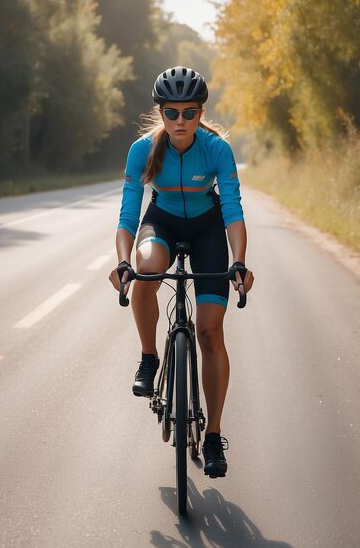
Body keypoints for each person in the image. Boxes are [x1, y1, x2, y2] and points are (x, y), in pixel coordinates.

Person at [109, 66, 254, 478]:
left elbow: (232, 210)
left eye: (189, 113)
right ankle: (149, 358)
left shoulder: (216, 150)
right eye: (171, 113)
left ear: (200, 112)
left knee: (210, 332)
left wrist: (240, 261)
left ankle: (212, 435)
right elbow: (128, 213)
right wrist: (123, 262)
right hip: (163, 223)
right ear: (160, 112)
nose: (180, 122)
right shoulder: (143, 150)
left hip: (208, 230)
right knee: (147, 269)